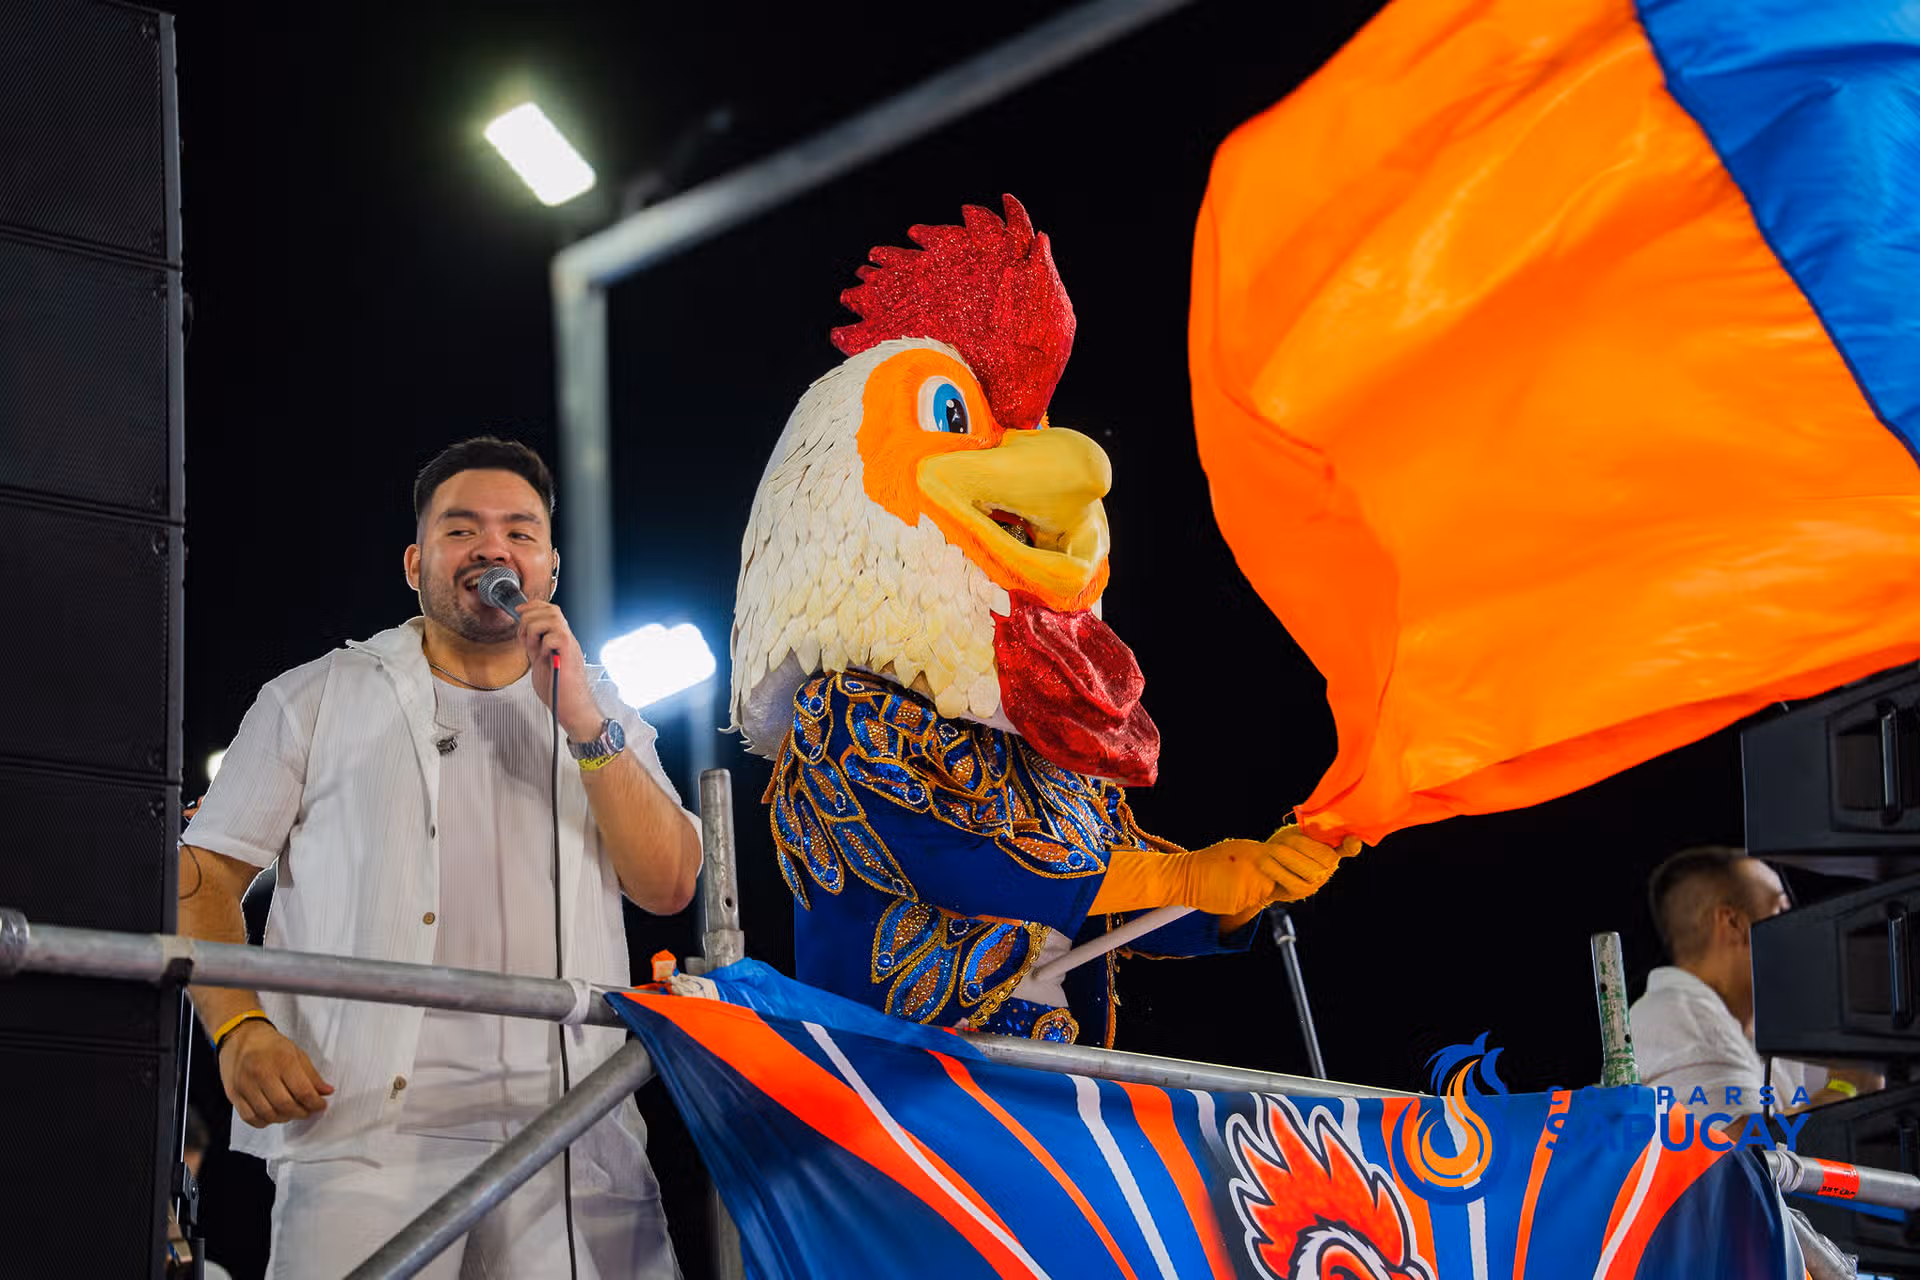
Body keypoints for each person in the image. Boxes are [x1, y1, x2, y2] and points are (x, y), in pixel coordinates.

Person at [176, 436, 703, 1278]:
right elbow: (200, 883)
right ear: (417, 562)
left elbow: (670, 882)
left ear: (550, 572)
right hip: (362, 1145)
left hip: (576, 1138)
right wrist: (241, 1030)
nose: (495, 547)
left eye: (521, 532)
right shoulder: (313, 697)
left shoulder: (599, 705)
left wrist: (583, 724)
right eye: (463, 530)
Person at [1631, 845, 1879, 1118]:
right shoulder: (1677, 1014)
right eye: (1780, 911)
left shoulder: (1759, 1030)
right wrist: (1846, 1087)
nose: (1796, 931)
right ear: (1734, 924)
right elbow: (1742, 1151)